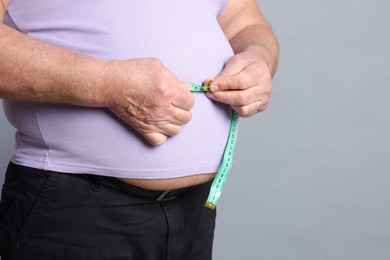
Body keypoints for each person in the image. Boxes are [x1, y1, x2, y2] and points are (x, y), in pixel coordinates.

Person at [0, 0, 278, 259]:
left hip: (194, 211)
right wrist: (107, 83)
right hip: (74, 210)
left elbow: (244, 22)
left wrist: (259, 56)